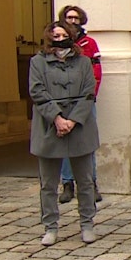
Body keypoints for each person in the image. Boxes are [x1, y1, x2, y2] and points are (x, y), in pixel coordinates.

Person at [28, 21, 99, 246]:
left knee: (85, 181)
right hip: (49, 126)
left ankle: (87, 223)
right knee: (48, 184)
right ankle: (50, 226)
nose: (59, 39)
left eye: (63, 34)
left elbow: (89, 92)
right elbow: (37, 91)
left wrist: (72, 121)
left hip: (79, 125)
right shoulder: (37, 62)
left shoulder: (84, 62)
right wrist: (57, 118)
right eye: (55, 35)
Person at [57, 6, 104, 204]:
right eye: (69, 17)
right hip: (63, 102)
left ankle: (91, 183)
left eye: (76, 18)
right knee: (64, 144)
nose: (73, 21)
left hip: (84, 101)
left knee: (87, 143)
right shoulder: (56, 43)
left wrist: (90, 96)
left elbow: (96, 73)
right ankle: (68, 184)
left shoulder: (89, 43)